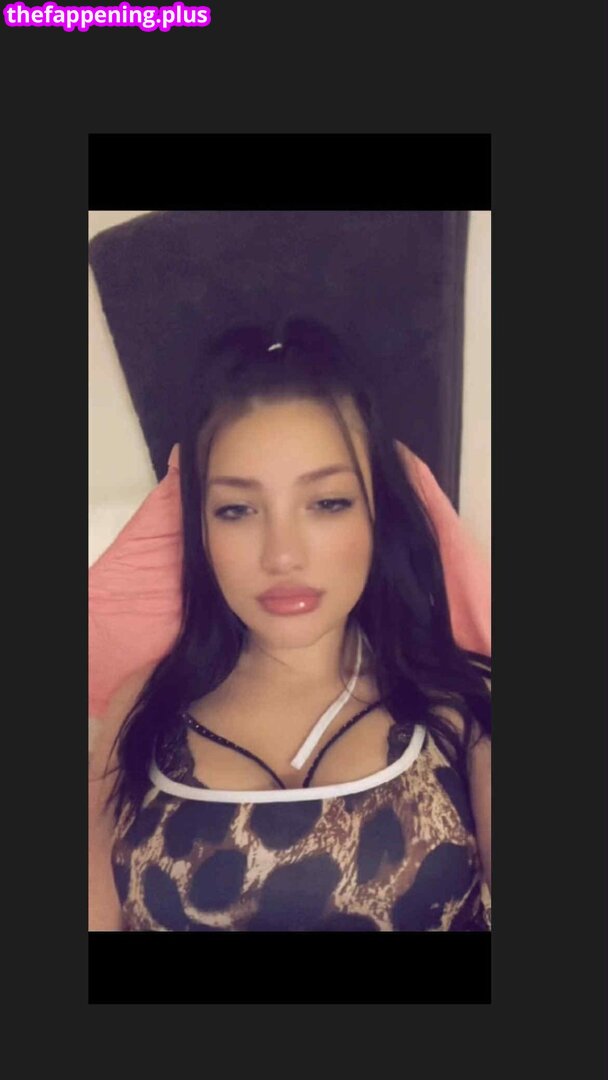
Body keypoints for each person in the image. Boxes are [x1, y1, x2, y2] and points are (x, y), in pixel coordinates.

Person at [89, 317, 491, 932]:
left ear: (379, 514)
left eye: (328, 503)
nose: (282, 555)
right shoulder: (140, 710)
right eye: (237, 509)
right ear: (201, 530)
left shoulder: (463, 707)